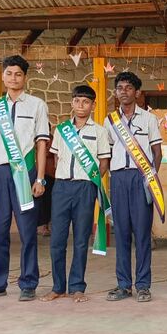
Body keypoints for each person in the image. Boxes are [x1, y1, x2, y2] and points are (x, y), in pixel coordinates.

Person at [0, 55, 50, 302]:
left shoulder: (37, 105)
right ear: (3, 76)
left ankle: (28, 282)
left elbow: (41, 144)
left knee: (28, 230)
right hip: (0, 172)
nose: (13, 78)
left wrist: (40, 178)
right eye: (9, 73)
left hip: (25, 171)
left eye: (18, 74)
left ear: (25, 77)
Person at [41, 85, 110, 304]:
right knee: (57, 240)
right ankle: (57, 287)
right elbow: (54, 159)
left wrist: (92, 180)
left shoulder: (99, 131)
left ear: (93, 105)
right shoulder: (61, 130)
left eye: (86, 102)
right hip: (61, 189)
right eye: (77, 101)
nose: (81, 106)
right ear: (72, 103)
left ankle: (77, 287)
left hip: (85, 189)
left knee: (81, 240)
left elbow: (104, 161)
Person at [104, 71, 163, 302]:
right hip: (118, 179)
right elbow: (105, 154)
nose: (124, 91)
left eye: (129, 87)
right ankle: (123, 285)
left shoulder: (149, 119)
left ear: (137, 92)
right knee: (121, 234)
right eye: (120, 87)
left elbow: (156, 151)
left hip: (141, 179)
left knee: (142, 235)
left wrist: (151, 176)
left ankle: (143, 285)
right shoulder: (110, 121)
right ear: (116, 92)